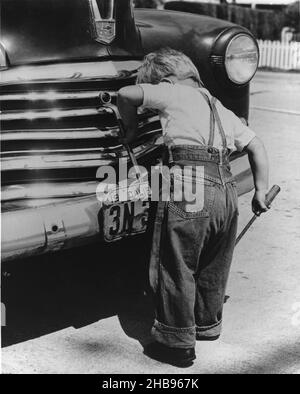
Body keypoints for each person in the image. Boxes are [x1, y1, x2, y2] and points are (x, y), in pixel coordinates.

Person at [117, 48, 269, 367]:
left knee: (177, 261)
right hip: (226, 187)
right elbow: (256, 144)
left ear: (169, 80)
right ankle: (206, 326)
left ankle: (177, 342)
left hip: (190, 182)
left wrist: (130, 130)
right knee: (214, 259)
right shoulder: (217, 106)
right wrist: (260, 189)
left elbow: (125, 93)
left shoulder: (172, 92)